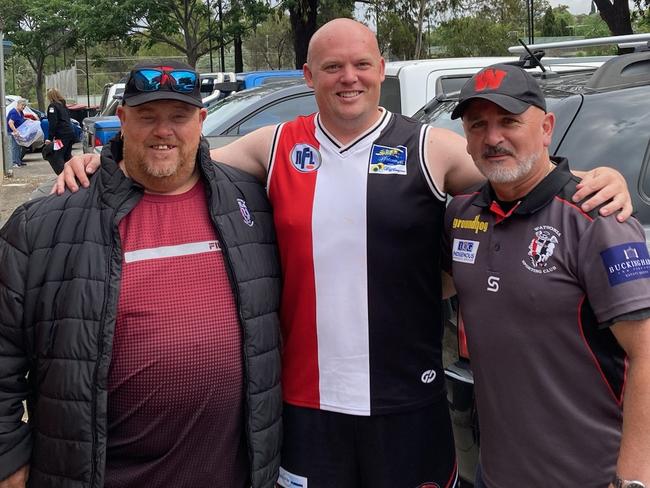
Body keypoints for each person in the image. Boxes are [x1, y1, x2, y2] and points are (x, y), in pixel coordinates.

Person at [55, 19, 633, 488]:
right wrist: (99, 164)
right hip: (305, 403)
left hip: (410, 399)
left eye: (361, 64)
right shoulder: (277, 143)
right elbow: (178, 159)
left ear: (382, 69)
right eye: (332, 66)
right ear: (309, 75)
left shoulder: (430, 147)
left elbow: (514, 176)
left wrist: (598, 178)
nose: (348, 77)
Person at [0, 61, 282, 488]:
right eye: (147, 116)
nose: (163, 131)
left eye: (179, 117)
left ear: (201, 120)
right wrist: (9, 463)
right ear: (123, 119)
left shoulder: (252, 205)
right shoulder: (43, 225)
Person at [443, 64, 650, 488]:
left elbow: (647, 355)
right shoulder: (460, 215)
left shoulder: (597, 218)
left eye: (509, 121)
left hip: (588, 477)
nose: (493, 137)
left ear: (547, 127)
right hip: (494, 474)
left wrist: (633, 479)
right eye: (477, 124)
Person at [44, 88, 76, 174]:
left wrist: (49, 138)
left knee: (58, 156)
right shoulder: (63, 105)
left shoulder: (52, 107)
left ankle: (64, 175)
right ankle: (74, 173)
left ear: (50, 97)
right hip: (70, 133)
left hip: (61, 135)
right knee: (67, 156)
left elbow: (53, 123)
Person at [6, 98, 27, 168]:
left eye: (25, 106)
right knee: (15, 147)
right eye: (22, 105)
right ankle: (14, 163)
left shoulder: (21, 112)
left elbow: (21, 120)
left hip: (17, 132)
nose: (23, 107)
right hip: (12, 132)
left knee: (19, 146)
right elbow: (10, 123)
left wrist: (28, 120)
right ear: (18, 105)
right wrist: (15, 131)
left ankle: (18, 161)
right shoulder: (14, 112)